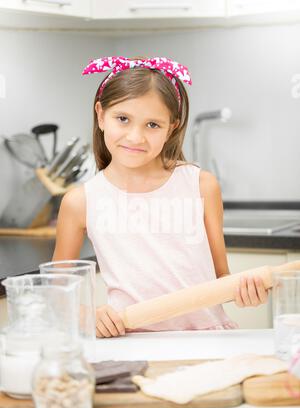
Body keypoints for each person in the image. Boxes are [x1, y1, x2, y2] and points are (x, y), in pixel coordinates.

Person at [53, 56, 268, 338]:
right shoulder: (81, 201)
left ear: (173, 127)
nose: (135, 137)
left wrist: (243, 291)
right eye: (123, 119)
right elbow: (55, 292)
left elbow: (221, 279)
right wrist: (88, 315)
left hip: (207, 338)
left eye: (152, 125)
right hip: (129, 340)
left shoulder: (201, 186)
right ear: (100, 115)